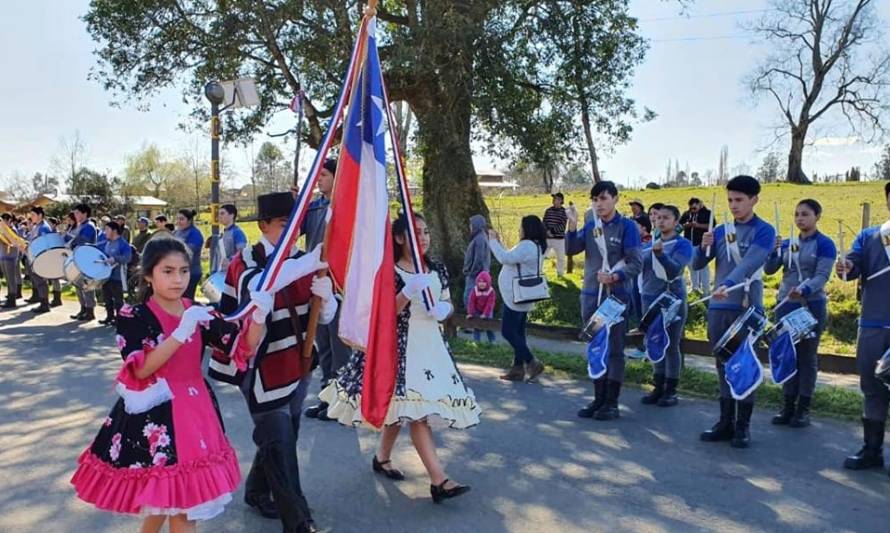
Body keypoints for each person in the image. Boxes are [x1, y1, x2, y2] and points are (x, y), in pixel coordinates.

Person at [71, 236, 269, 532]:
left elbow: (240, 347)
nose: (178, 279)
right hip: (156, 417)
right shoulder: (133, 315)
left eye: (184, 271)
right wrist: (182, 331)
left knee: (175, 503)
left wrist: (260, 317)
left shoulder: (198, 310)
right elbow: (140, 369)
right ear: (149, 274)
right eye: (168, 271)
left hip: (196, 413)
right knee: (178, 506)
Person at [320, 213, 480, 504]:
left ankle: (381, 458)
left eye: (426, 231)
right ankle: (438, 479)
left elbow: (446, 299)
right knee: (416, 413)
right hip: (399, 352)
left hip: (431, 348)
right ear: (398, 238)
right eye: (415, 232)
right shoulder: (389, 273)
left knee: (403, 408)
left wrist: (444, 310)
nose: (423, 237)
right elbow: (383, 315)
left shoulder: (438, 269)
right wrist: (406, 291)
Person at [210, 191, 334, 532]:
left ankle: (255, 490)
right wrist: (307, 265)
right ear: (263, 225)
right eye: (284, 224)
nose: (292, 232)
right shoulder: (244, 260)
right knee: (279, 439)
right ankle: (299, 520)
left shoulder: (303, 258)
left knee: (283, 435)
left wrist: (326, 302)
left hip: (298, 361)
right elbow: (258, 289)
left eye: (296, 225)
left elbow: (320, 318)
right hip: (257, 364)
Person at [693, 175, 776, 448]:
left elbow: (750, 264)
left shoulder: (764, 231)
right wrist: (702, 246)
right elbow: (697, 265)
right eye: (730, 200)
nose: (733, 205)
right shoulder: (720, 230)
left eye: (739, 200)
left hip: (746, 306)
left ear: (754, 200)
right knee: (722, 364)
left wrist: (728, 284)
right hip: (718, 306)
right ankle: (725, 422)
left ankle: (743, 426)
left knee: (745, 364)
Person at [566, 181, 642, 420]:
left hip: (615, 297)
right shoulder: (591, 227)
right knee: (595, 346)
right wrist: (572, 223)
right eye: (595, 199)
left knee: (615, 349)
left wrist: (615, 276)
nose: (599, 204)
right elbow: (570, 249)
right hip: (590, 295)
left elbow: (636, 263)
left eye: (603, 199)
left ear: (615, 199)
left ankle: (612, 402)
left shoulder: (627, 227)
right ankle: (598, 399)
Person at [764, 199, 835, 428]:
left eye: (805, 214)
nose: (800, 219)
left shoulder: (825, 244)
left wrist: (804, 289)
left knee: (806, 357)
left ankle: (803, 408)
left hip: (810, 305)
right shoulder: (787, 243)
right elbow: (769, 269)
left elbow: (822, 275)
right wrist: (772, 252)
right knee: (787, 355)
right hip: (785, 304)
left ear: (817, 217)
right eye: (796, 214)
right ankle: (787, 405)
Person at [836, 181, 890, 472]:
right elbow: (852, 267)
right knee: (872, 387)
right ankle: (871, 450)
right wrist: (845, 267)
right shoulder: (872, 236)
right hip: (873, 324)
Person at [299, 159, 354, 422]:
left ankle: (342, 402)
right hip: (316, 283)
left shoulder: (346, 207)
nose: (318, 179)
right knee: (323, 345)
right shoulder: (313, 208)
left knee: (338, 345)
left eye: (324, 174)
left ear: (336, 177)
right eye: (317, 175)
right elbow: (295, 232)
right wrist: (295, 206)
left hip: (338, 284)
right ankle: (326, 397)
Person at [639, 205, 693, 407]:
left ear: (676, 221)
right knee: (654, 341)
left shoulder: (683, 244)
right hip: (649, 297)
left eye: (666, 218)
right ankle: (658, 385)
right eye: (658, 217)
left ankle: (671, 389)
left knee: (671, 344)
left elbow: (675, 270)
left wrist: (661, 254)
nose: (661, 221)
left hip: (673, 299)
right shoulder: (648, 244)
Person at [489, 215, 548, 381]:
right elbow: (511, 256)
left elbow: (504, 258)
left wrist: (493, 241)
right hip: (524, 295)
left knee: (508, 331)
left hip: (515, 296)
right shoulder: (536, 246)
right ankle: (517, 369)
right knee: (519, 333)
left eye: (521, 227)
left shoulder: (527, 246)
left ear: (527, 228)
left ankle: (531, 362)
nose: (519, 230)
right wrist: (499, 243)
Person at [66, 203, 99, 321]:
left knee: (87, 285)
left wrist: (70, 240)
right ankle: (83, 308)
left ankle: (90, 310)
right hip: (78, 257)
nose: (75, 215)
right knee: (78, 283)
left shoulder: (89, 226)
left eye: (77, 213)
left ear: (85, 213)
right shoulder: (80, 225)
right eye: (75, 213)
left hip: (87, 258)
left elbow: (82, 240)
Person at [99, 221, 133, 326]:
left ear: (114, 230)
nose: (105, 232)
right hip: (106, 276)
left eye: (107, 229)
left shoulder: (123, 243)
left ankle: (120, 319)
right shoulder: (107, 242)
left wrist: (115, 259)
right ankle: (109, 317)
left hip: (118, 276)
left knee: (118, 299)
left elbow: (127, 258)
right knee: (107, 298)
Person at [26, 206, 54, 314]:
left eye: (33, 215)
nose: (31, 217)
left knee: (41, 281)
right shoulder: (36, 226)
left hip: (41, 258)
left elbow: (44, 243)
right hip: (34, 256)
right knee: (38, 281)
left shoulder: (44, 227)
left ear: (40, 215)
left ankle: (44, 304)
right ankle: (42, 302)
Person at [680, 198, 712, 294]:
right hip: (689, 243)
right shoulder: (687, 214)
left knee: (703, 266)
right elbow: (679, 225)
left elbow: (711, 226)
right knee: (691, 266)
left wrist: (698, 225)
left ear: (700, 204)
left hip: (701, 244)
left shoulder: (707, 213)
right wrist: (687, 225)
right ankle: (694, 287)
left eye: (694, 207)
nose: (693, 210)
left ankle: (706, 289)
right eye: (691, 208)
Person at [173, 209, 204, 300]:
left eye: (182, 219)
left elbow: (189, 251)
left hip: (192, 272)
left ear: (189, 221)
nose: (179, 222)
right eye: (177, 219)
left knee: (186, 300)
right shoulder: (176, 232)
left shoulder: (195, 233)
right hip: (178, 272)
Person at [462, 214, 491, 309]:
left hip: (476, 277)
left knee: (470, 299)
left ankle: (475, 322)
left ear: (476, 225)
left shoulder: (479, 239)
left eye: (471, 224)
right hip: (478, 275)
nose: (470, 227)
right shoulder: (480, 237)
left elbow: (479, 259)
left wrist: (471, 272)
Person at [209, 204, 248, 273]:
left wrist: (230, 260)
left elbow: (242, 252)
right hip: (219, 273)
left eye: (222, 213)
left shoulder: (238, 233)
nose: (219, 216)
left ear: (231, 215)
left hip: (231, 274)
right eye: (219, 214)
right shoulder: (222, 234)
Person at [466, 270, 497, 343]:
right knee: (476, 325)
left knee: (488, 325)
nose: (481, 284)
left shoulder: (491, 291)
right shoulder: (475, 290)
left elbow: (490, 304)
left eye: (484, 282)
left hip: (487, 310)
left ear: (488, 282)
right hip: (477, 309)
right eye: (480, 282)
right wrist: (471, 313)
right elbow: (471, 302)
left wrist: (485, 314)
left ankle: (492, 341)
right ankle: (477, 341)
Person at [543, 192, 568, 276]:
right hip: (547, 238)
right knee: (542, 255)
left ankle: (560, 274)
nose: (554, 200)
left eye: (556, 199)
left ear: (561, 200)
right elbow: (544, 222)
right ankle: (539, 272)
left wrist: (552, 231)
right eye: (554, 199)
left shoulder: (564, 212)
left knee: (560, 257)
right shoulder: (548, 210)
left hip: (559, 239)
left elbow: (563, 225)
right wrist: (546, 231)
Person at [0, 212, 22, 309]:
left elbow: (11, 242)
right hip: (3, 256)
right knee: (8, 279)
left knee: (11, 279)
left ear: (9, 221)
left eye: (5, 221)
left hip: (10, 257)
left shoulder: (12, 230)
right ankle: (10, 297)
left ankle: (12, 300)